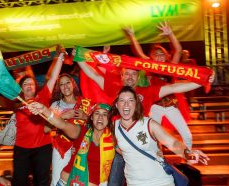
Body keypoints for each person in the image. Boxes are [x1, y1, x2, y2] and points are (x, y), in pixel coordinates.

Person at [76, 48, 215, 186]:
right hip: (121, 148)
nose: (130, 77)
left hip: (145, 145)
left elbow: (173, 88)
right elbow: (93, 75)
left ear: (138, 78)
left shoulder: (147, 94)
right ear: (122, 76)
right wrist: (79, 56)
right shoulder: (113, 88)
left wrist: (203, 80)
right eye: (127, 74)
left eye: (133, 74)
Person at [111, 86, 209, 186]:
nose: (126, 104)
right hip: (133, 183)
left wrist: (189, 154)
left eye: (130, 100)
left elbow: (172, 143)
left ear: (136, 104)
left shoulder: (149, 124)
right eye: (122, 100)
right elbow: (118, 147)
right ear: (117, 105)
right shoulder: (114, 127)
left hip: (160, 182)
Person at [123, 22, 192, 149]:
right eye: (156, 54)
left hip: (171, 106)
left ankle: (188, 160)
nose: (159, 57)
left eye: (161, 54)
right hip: (155, 106)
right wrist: (132, 36)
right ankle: (157, 158)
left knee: (187, 135)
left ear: (165, 56)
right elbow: (139, 54)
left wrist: (170, 34)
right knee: (154, 136)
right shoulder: (150, 66)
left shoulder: (171, 66)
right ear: (152, 57)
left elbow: (178, 50)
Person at [27, 101, 115, 186]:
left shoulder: (114, 140)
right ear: (91, 117)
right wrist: (44, 110)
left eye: (105, 114)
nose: (100, 117)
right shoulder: (81, 131)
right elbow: (62, 124)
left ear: (109, 119)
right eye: (97, 113)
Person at [12, 52, 64, 186]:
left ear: (36, 87)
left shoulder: (43, 96)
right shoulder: (16, 102)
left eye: (32, 84)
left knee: (41, 181)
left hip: (43, 148)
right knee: (19, 181)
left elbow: (53, 77)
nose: (29, 86)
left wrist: (60, 57)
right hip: (21, 149)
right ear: (21, 89)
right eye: (25, 84)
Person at [49, 73, 88, 186]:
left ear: (73, 84)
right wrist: (63, 116)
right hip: (62, 148)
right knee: (57, 180)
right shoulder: (55, 105)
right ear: (59, 88)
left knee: (76, 181)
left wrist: (85, 116)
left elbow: (94, 125)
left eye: (67, 83)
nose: (65, 86)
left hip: (81, 148)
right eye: (61, 84)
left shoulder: (84, 103)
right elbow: (46, 128)